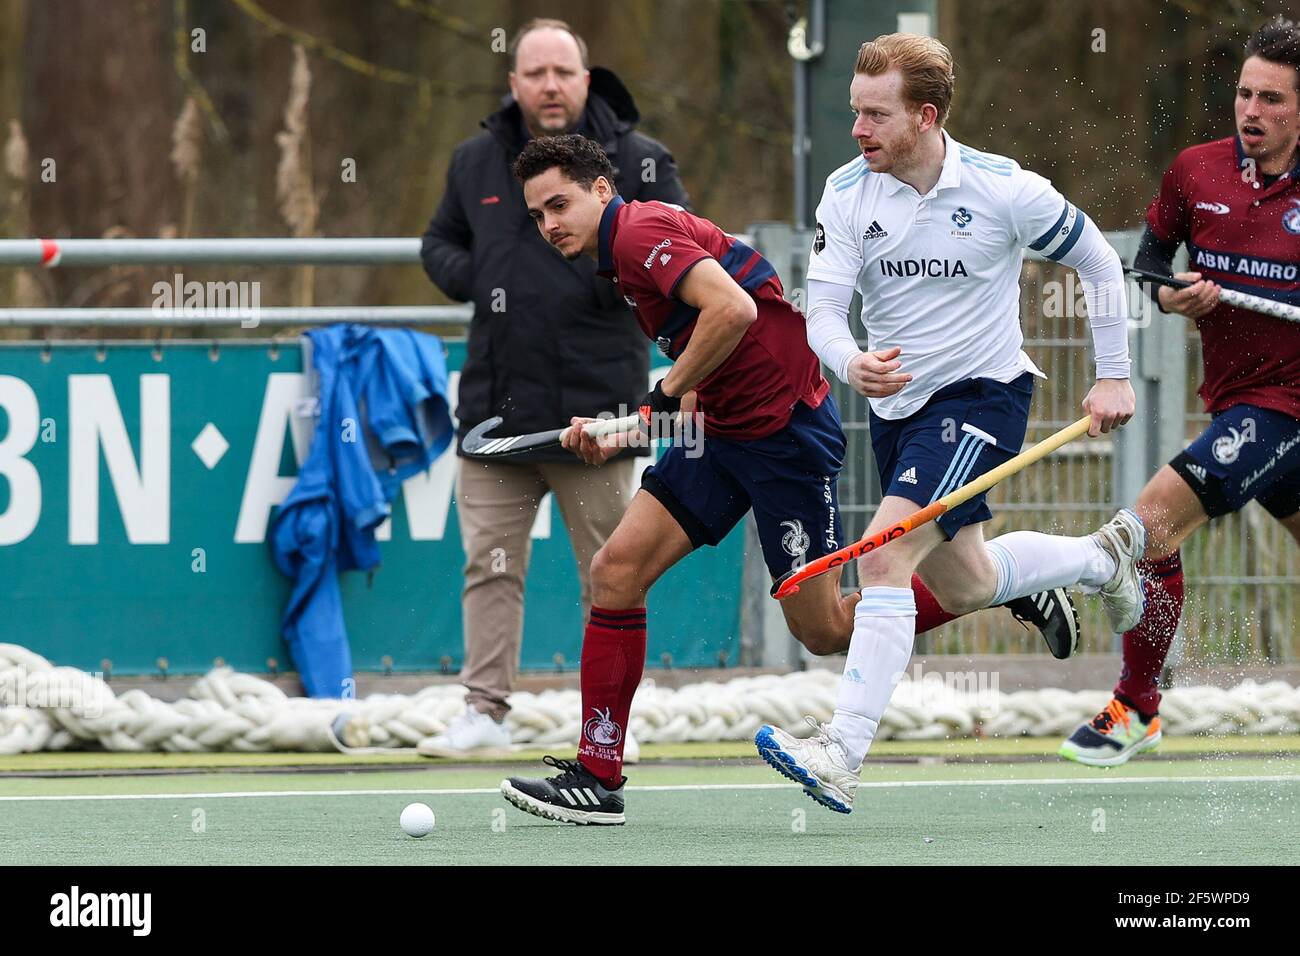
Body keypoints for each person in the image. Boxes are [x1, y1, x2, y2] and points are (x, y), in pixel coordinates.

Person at [495, 134, 1078, 826]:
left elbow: (733, 311)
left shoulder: (638, 232)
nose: (550, 224)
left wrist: (653, 405)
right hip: (717, 429)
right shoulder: (621, 255)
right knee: (615, 571)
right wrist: (626, 425)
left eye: (559, 204)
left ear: (599, 190)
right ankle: (599, 776)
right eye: (536, 216)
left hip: (783, 436)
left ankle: (996, 587)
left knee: (826, 631)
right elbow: (711, 343)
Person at [754, 33, 1142, 814]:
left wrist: (1113, 375)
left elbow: (1098, 260)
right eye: (853, 112)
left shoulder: (1004, 190)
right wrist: (849, 359)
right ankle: (1103, 559)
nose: (858, 130)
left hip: (982, 396)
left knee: (885, 557)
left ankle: (842, 752)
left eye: (875, 115)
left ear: (926, 117)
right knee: (969, 581)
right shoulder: (847, 192)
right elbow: (824, 309)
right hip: (898, 410)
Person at [416, 19, 690, 756]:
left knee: (611, 571)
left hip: (597, 417)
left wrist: (615, 285)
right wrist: (487, 276)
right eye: (534, 73)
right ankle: (483, 712)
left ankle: (607, 724)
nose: (549, 85)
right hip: (493, 413)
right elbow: (437, 244)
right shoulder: (475, 161)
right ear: (514, 85)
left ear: (586, 78)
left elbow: (687, 257)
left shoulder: (640, 160)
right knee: (489, 567)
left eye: (563, 72)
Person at [1060, 16, 1300, 767]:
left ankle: (1136, 707)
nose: (1251, 111)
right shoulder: (1196, 171)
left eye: (1272, 100)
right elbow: (1152, 261)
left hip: (1287, 406)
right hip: (1236, 402)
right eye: (1244, 94)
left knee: (1152, 525)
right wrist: (1174, 297)